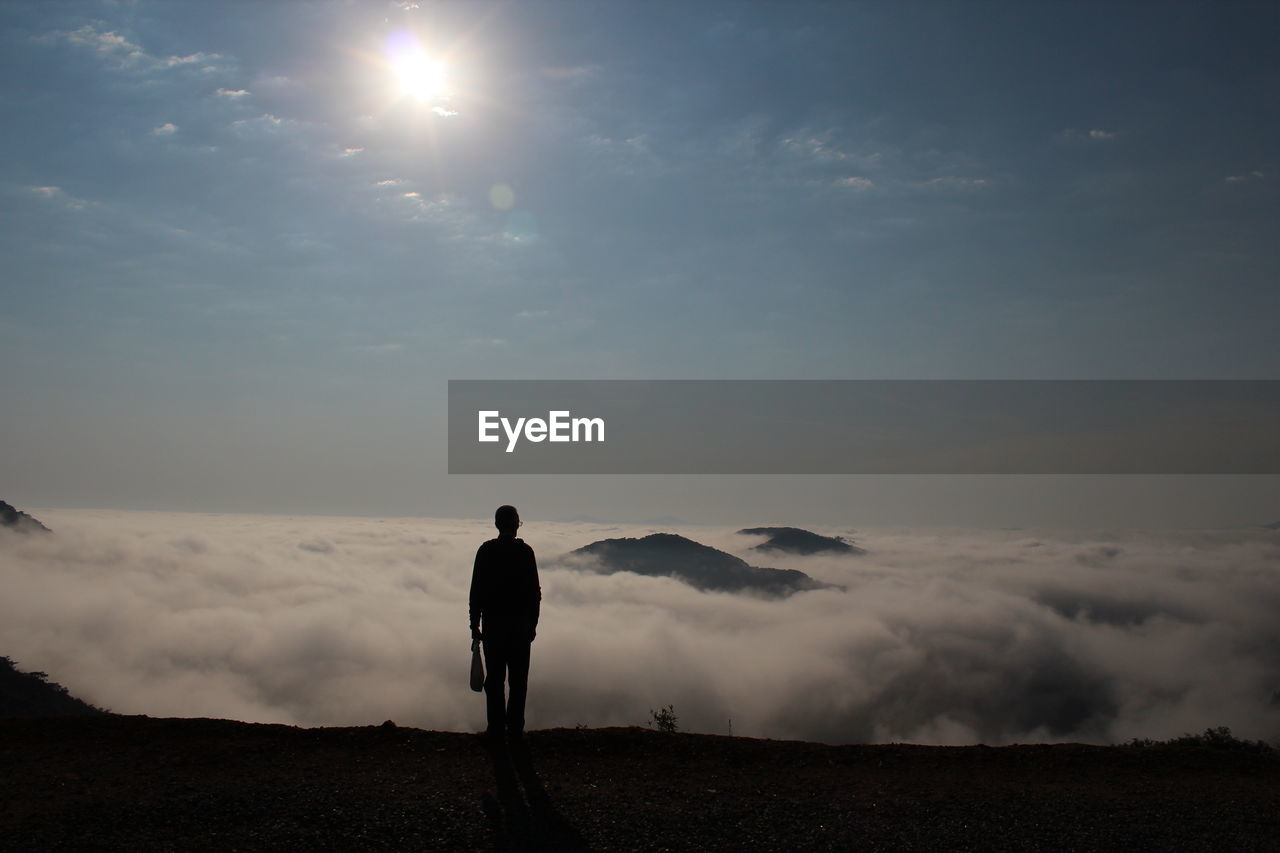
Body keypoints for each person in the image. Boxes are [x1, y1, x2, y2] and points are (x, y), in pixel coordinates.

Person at [469, 504, 541, 740]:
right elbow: (534, 593)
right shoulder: (525, 552)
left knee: (495, 681)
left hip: (494, 627)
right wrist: (532, 625)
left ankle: (496, 729)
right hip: (520, 627)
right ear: (516, 524)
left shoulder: (486, 551)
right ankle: (515, 730)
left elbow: (476, 592)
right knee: (519, 682)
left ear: (497, 524)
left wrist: (475, 626)